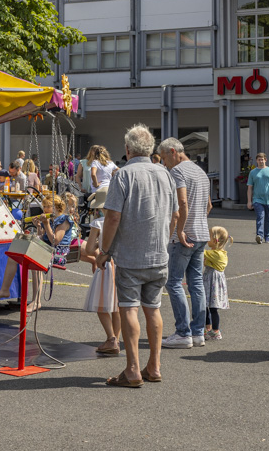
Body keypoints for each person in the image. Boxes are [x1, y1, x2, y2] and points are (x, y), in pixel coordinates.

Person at [95, 124, 179, 388]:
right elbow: (175, 215)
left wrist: (105, 251)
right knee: (153, 309)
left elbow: (113, 217)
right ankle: (154, 366)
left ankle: (132, 369)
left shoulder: (123, 175)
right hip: (158, 254)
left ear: (128, 149)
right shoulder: (165, 174)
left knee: (129, 307)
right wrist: (164, 241)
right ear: (151, 148)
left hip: (131, 255)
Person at [160, 137, 211, 350]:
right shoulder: (200, 171)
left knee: (173, 282)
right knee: (196, 282)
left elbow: (181, 202)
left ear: (173, 152)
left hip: (185, 235)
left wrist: (179, 230)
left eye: (164, 158)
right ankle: (198, 332)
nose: (164, 163)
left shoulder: (177, 172)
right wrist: (198, 221)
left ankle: (183, 332)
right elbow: (208, 205)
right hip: (201, 233)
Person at [80, 188, 122, 356]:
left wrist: (99, 243)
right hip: (120, 264)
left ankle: (111, 338)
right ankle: (116, 339)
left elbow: (89, 249)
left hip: (105, 265)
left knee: (102, 304)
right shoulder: (121, 220)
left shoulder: (98, 223)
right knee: (117, 306)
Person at [203, 226, 232, 341]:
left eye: (209, 236)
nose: (207, 238)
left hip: (213, 283)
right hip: (210, 281)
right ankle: (208, 329)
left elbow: (201, 252)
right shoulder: (219, 253)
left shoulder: (217, 254)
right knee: (206, 306)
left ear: (215, 240)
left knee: (213, 308)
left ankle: (215, 331)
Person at [246, 152, 269, 244]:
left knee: (268, 219)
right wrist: (249, 201)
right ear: (256, 161)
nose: (261, 161)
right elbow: (249, 188)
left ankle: (267, 236)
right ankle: (260, 236)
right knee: (260, 216)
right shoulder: (253, 172)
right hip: (257, 199)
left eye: (262, 159)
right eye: (259, 160)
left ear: (265, 160)